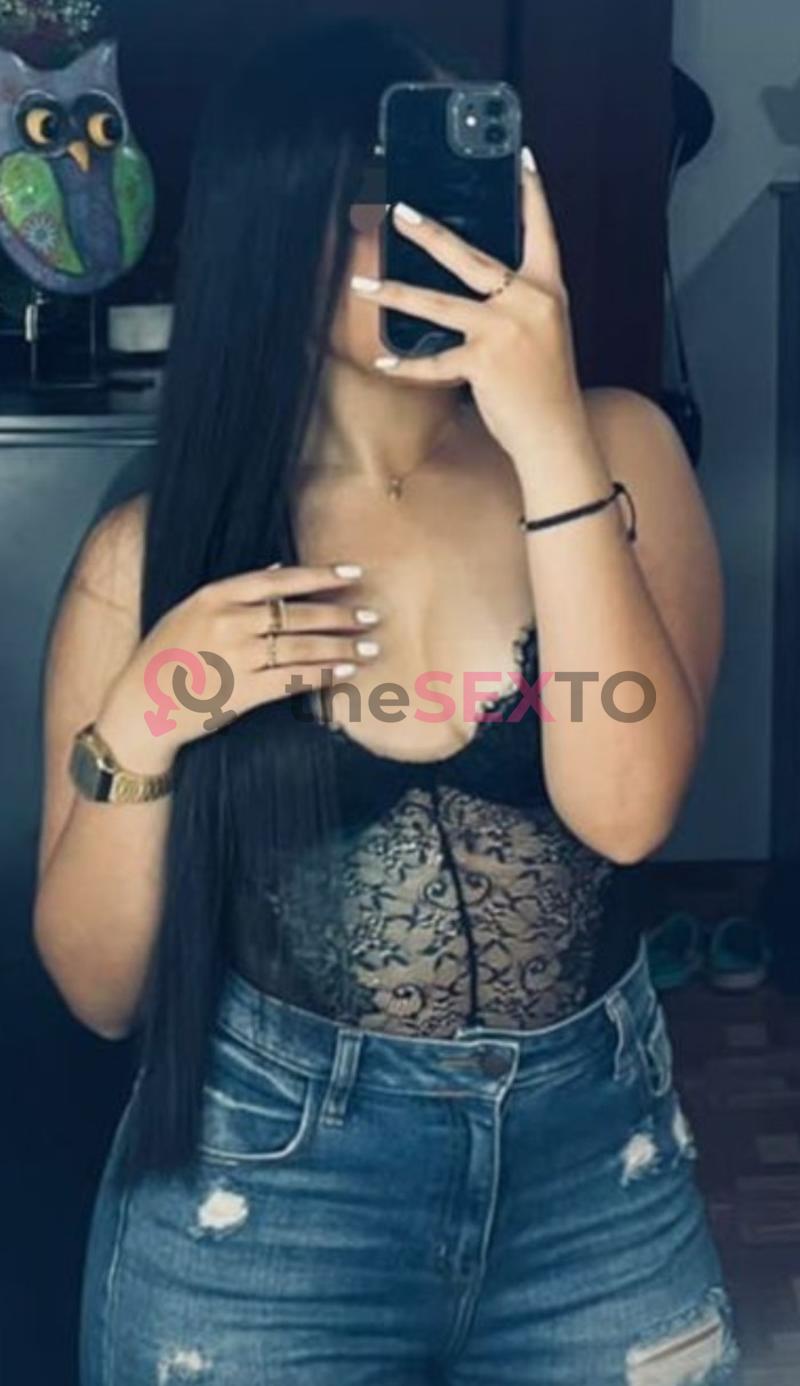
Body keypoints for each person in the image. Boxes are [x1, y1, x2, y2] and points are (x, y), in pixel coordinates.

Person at [33, 17, 741, 1386]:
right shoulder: (154, 548)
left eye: (455, 181)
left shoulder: (620, 449)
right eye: (377, 195)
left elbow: (628, 810)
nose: (427, 230)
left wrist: (549, 434)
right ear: (275, 225)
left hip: (599, 1175)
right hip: (264, 1194)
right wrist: (151, 716)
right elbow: (99, 990)